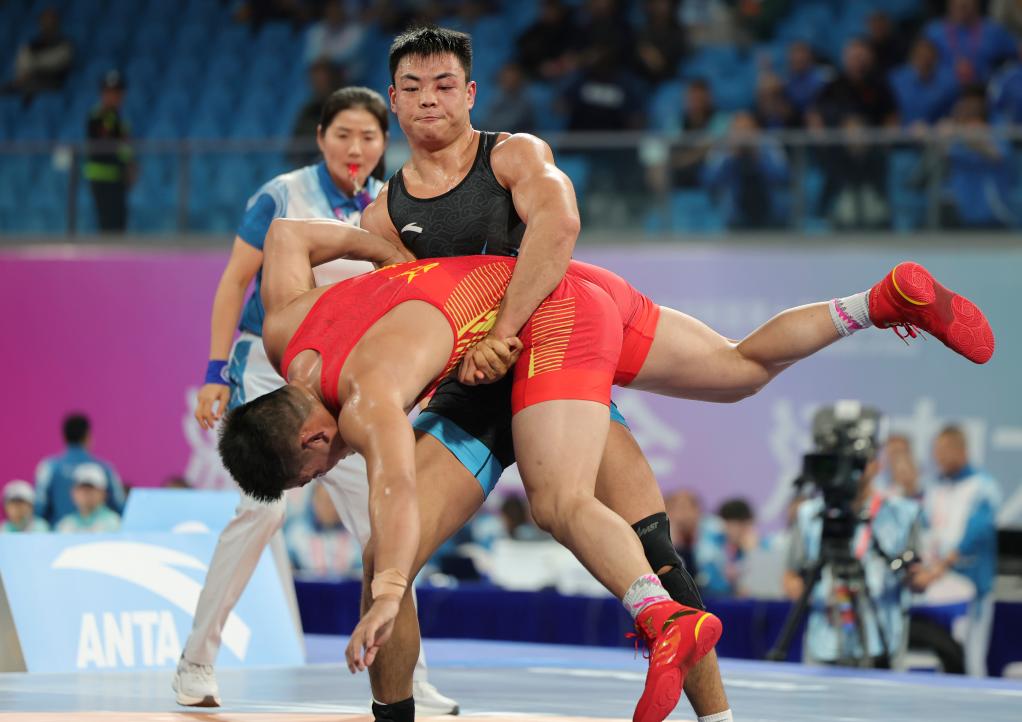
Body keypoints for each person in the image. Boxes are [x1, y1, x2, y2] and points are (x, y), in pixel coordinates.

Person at [219, 204, 992, 721]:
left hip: (551, 318)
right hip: (564, 301)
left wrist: (389, 592)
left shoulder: (367, 400)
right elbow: (288, 238)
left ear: (310, 442)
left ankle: (659, 617)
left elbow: (391, 489)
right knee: (738, 369)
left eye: (313, 473)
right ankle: (878, 303)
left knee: (556, 501)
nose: (329, 470)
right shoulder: (288, 329)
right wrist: (387, 256)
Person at [356, 27, 733, 722]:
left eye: (444, 85)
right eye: (413, 87)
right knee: (385, 554)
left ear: (470, 93)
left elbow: (558, 227)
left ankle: (719, 720)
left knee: (655, 551)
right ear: (394, 100)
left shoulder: (513, 155)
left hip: (555, 368)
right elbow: (402, 330)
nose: (429, 99)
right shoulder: (383, 217)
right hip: (471, 396)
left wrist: (503, 333)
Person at [176, 86, 458, 715]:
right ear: (321, 138)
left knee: (385, 520)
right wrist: (216, 370)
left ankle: (409, 674)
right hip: (271, 368)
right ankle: (196, 661)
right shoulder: (282, 194)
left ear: (384, 142)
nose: (356, 148)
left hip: (343, 387)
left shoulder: (393, 199)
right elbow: (234, 281)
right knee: (263, 512)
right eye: (343, 135)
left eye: (369, 137)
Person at [784, 447, 926, 668]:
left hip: (883, 642)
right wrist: (820, 596)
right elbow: (790, 578)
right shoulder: (809, 514)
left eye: (858, 462)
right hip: (825, 641)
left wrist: (916, 577)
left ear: (876, 464)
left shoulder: (902, 514)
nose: (850, 470)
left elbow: (919, 580)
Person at [916, 425, 1000, 677]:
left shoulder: (983, 487)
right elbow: (925, 529)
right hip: (935, 584)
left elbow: (977, 532)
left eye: (945, 450)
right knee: (943, 652)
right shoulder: (934, 487)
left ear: (962, 450)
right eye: (936, 450)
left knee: (971, 659)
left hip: (971, 586)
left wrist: (943, 565)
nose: (939, 456)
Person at [35, 413, 125, 527]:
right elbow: (121, 508)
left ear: (64, 437)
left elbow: (38, 509)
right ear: (87, 436)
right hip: (88, 535)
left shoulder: (49, 467)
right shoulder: (105, 468)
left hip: (60, 536)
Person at [84, 70, 134, 233]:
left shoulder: (121, 119)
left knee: (119, 224)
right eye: (110, 92)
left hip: (118, 179)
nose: (115, 97)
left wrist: (130, 165)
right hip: (101, 179)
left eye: (118, 92)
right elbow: (103, 145)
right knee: (107, 226)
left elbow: (125, 149)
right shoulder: (96, 116)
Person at [3, 6, 73, 100]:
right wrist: (26, 72)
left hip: (53, 82)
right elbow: (22, 62)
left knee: (30, 90)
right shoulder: (32, 45)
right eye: (44, 22)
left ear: (57, 23)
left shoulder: (64, 43)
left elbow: (55, 61)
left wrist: (33, 64)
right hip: (30, 80)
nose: (47, 25)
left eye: (50, 22)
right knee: (7, 89)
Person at [55, 464, 121, 533]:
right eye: (81, 488)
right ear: (73, 492)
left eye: (91, 488)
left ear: (103, 493)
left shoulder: (114, 522)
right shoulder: (65, 524)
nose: (85, 493)